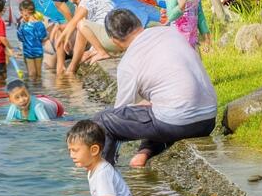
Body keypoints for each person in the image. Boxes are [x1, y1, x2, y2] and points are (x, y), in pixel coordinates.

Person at [92, 9, 217, 168]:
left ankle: (105, 178)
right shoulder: (171, 32)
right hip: (208, 119)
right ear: (139, 22)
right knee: (155, 108)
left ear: (113, 40)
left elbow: (121, 112)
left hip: (178, 124)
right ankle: (144, 153)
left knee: (103, 120)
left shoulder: (128, 63)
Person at [66, 119, 136, 196]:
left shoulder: (102, 173)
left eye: (75, 150)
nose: (71, 155)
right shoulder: (94, 169)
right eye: (69, 150)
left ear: (94, 150)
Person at [56, 0, 116, 74]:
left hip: (106, 37)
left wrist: (62, 39)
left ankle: (72, 68)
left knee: (81, 24)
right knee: (83, 57)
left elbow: (75, 21)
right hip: (113, 39)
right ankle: (71, 70)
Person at [16, 0, 48, 79]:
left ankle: (33, 90)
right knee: (38, 74)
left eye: (21, 13)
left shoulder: (23, 26)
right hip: (38, 51)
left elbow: (20, 38)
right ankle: (39, 90)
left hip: (28, 52)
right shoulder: (40, 24)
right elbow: (43, 37)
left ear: (25, 12)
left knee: (31, 74)